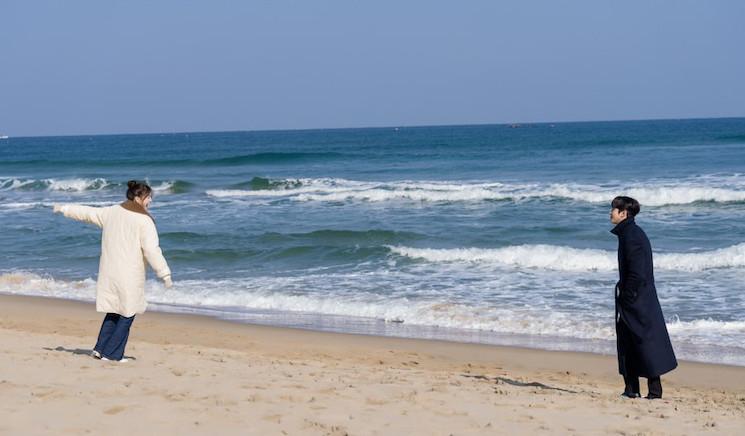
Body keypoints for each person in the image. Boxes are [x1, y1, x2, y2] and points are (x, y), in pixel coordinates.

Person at [53, 180, 172, 362]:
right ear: (140, 198)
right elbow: (151, 250)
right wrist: (164, 273)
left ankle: (100, 349)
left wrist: (65, 208)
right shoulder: (144, 220)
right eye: (149, 198)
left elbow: (87, 212)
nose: (150, 202)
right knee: (127, 313)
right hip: (129, 274)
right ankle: (112, 354)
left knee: (114, 310)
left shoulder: (111, 212)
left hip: (110, 271)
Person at [610, 196, 677, 399]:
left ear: (624, 213)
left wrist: (627, 296)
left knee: (645, 342)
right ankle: (632, 390)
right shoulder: (628, 233)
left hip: (638, 298)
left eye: (614, 209)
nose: (610, 212)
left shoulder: (632, 235)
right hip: (638, 297)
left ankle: (654, 392)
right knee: (630, 341)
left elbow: (637, 273)